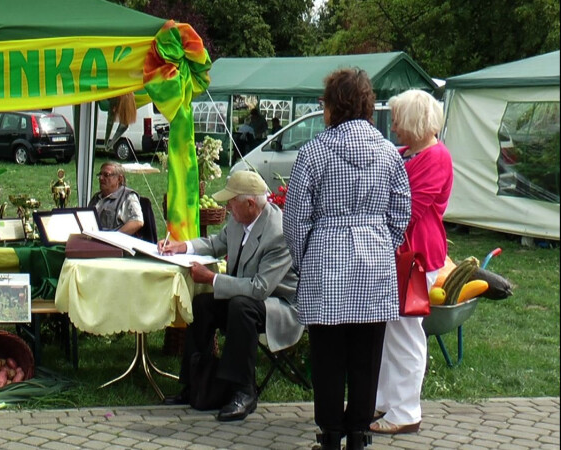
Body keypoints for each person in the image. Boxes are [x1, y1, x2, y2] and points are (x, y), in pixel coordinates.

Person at [283, 68, 411, 450]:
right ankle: (359, 433)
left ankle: (330, 435)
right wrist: (380, 244)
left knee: (328, 354)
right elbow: (402, 209)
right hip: (373, 258)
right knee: (367, 353)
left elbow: (294, 218)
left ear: (334, 105)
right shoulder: (389, 153)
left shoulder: (314, 151)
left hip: (326, 256)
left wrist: (305, 259)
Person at [158, 170, 300, 422]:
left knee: (241, 307)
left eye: (231, 202)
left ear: (250, 204)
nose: (227, 207)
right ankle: (194, 383)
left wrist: (211, 278)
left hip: (279, 305)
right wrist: (183, 246)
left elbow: (260, 289)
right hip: (244, 298)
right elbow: (216, 243)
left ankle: (243, 391)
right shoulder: (239, 220)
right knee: (202, 304)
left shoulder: (279, 232)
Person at [372, 89, 453, 435]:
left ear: (414, 122)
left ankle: (405, 410)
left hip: (416, 259)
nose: (393, 127)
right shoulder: (407, 154)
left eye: (398, 120)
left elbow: (406, 209)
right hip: (403, 256)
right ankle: (386, 401)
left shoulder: (435, 158)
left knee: (405, 332)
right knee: (392, 331)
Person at [88, 161, 143, 235]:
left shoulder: (128, 197)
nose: (101, 178)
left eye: (106, 175)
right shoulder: (96, 198)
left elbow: (137, 222)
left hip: (113, 243)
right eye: (100, 174)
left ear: (119, 179)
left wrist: (114, 236)